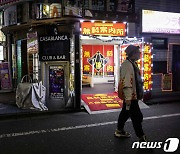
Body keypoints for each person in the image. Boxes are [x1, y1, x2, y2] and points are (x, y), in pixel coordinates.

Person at [114, 44, 147, 142]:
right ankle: (142, 138)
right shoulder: (127, 65)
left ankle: (119, 130)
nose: (140, 54)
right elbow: (127, 82)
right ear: (133, 54)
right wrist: (128, 98)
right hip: (131, 97)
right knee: (137, 117)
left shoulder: (132, 63)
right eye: (138, 52)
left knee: (125, 113)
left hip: (132, 96)